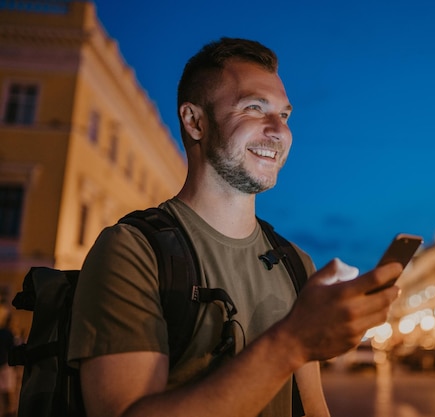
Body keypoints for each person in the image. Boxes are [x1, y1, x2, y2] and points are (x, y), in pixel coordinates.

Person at [68, 37, 402, 417]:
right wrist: (291, 342)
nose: (278, 131)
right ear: (195, 122)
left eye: (285, 115)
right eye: (254, 108)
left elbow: (311, 406)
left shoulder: (296, 264)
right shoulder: (132, 251)